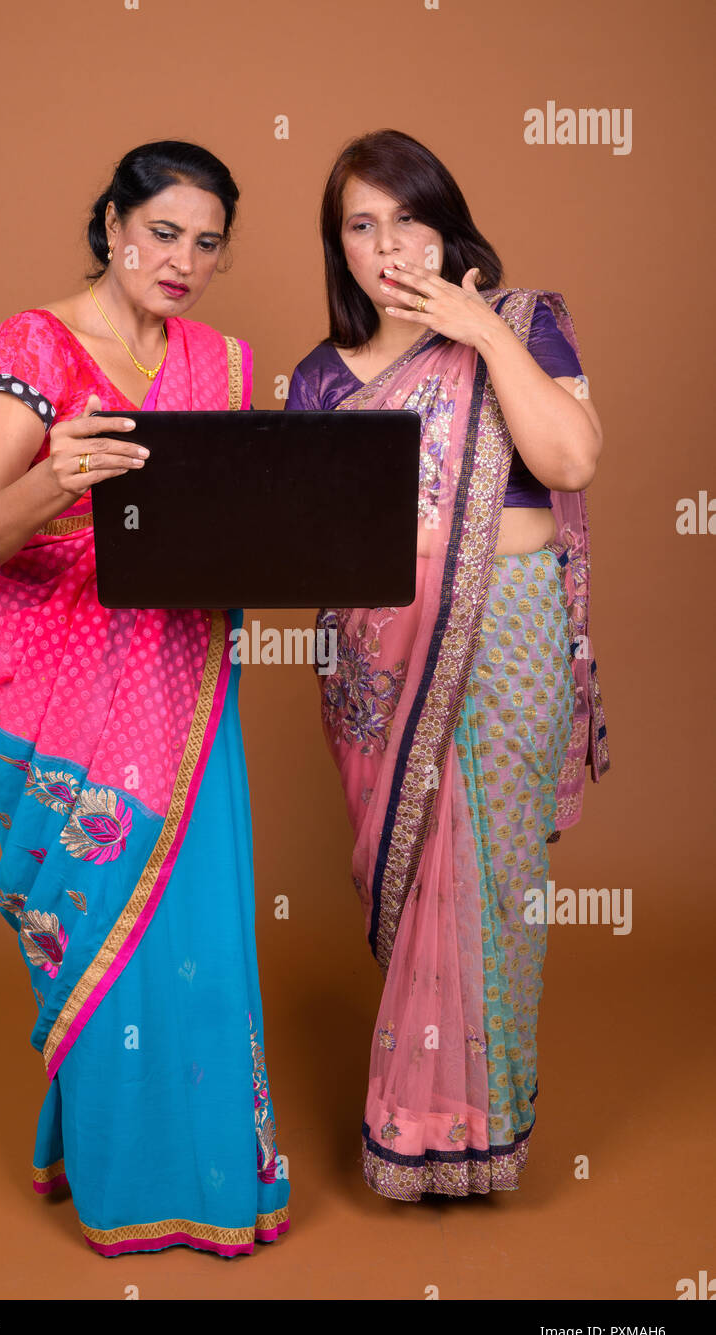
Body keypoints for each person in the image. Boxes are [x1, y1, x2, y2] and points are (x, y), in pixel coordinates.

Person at [0, 140, 290, 1256]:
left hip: (182, 687)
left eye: (207, 241)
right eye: (163, 231)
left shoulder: (225, 365)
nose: (181, 259)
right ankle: (122, 1181)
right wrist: (56, 475)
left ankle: (207, 1179)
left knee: (193, 936)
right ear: (112, 223)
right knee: (99, 931)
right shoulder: (33, 344)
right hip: (61, 696)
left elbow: (226, 530)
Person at [286, 129, 609, 1199]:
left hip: (506, 639)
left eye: (408, 217)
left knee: (496, 885)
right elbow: (304, 545)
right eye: (361, 225)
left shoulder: (523, 322)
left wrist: (476, 322)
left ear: (446, 220)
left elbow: (570, 457)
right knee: (428, 881)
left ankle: (479, 1128)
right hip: (384, 672)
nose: (389, 245)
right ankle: (420, 1129)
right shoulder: (322, 380)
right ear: (340, 247)